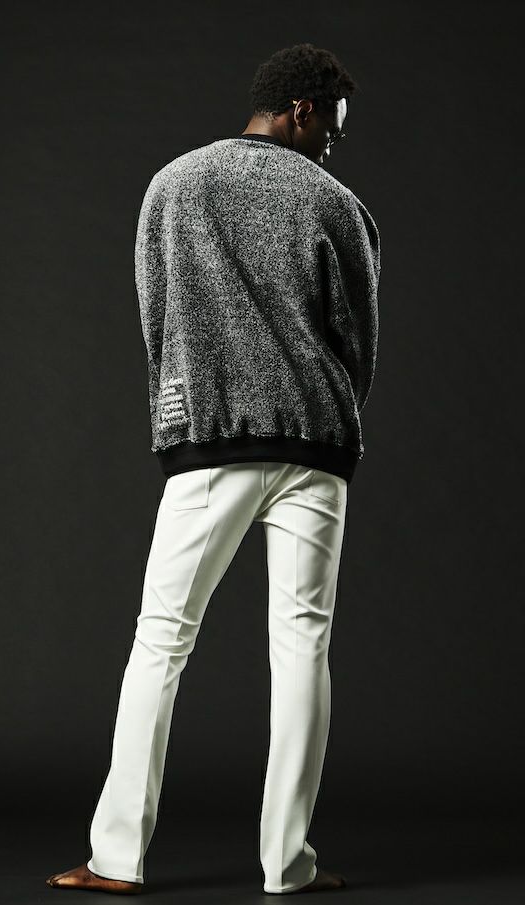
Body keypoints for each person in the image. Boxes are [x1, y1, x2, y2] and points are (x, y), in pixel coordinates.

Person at [46, 41, 380, 896]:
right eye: (332, 127)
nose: (333, 144)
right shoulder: (339, 205)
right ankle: (287, 864)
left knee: (161, 639)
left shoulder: (174, 185)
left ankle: (117, 858)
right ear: (302, 109)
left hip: (212, 439)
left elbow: (156, 316)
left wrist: (184, 414)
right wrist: (327, 413)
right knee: (303, 646)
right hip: (315, 446)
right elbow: (359, 341)